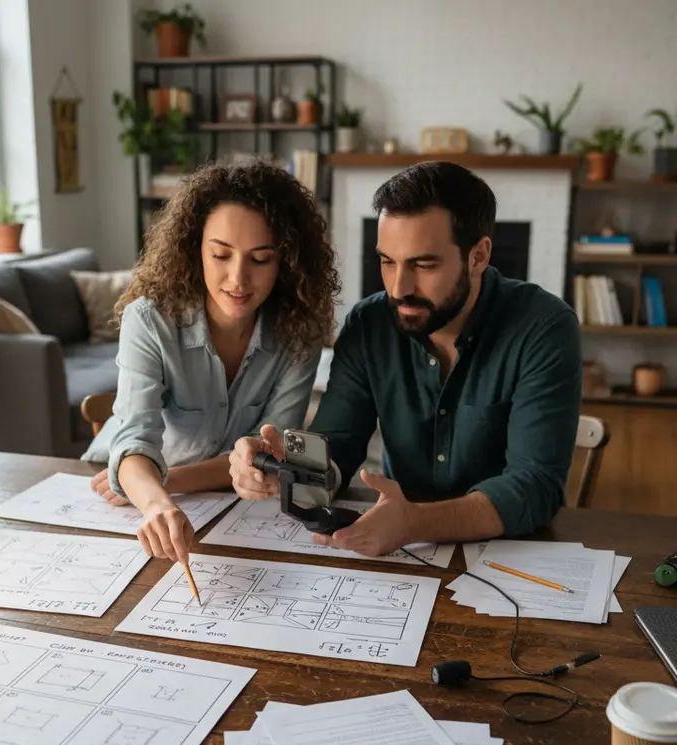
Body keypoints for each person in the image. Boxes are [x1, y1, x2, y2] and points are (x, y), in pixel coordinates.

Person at [229, 160, 582, 556]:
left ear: (479, 256)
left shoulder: (544, 327)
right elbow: (338, 443)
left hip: (513, 553)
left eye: (424, 264)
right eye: (387, 261)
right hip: (402, 550)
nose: (400, 288)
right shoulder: (369, 324)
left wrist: (415, 522)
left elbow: (535, 484)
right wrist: (288, 473)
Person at [82, 160, 339, 565]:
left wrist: (166, 481)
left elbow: (262, 457)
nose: (238, 278)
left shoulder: (299, 335)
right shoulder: (150, 320)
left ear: (286, 262)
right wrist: (153, 499)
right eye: (221, 254)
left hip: (191, 495)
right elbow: (133, 444)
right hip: (119, 494)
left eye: (260, 260)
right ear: (194, 248)